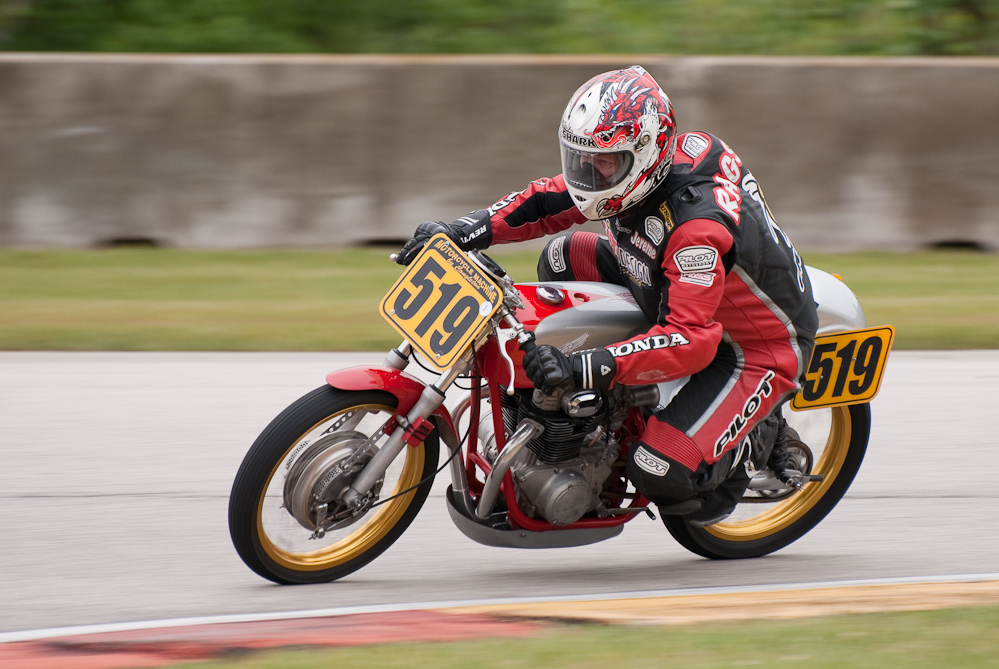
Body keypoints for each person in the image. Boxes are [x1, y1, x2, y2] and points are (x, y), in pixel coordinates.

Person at [396, 65, 817, 526]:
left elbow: (690, 340)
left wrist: (585, 365)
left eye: (604, 163)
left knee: (658, 469)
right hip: (657, 278)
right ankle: (578, 424)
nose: (587, 174)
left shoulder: (697, 230)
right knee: (560, 258)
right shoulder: (632, 173)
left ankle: (754, 441)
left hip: (750, 345)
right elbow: (544, 201)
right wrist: (461, 231)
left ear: (647, 156)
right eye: (579, 159)